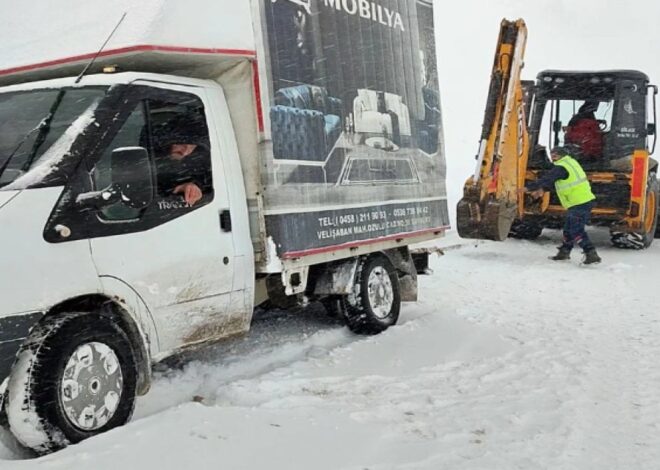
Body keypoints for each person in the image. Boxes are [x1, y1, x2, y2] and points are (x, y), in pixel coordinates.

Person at [525, 145, 602, 264]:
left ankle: (591, 253)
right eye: (552, 154)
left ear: (562, 155)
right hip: (581, 201)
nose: (553, 157)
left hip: (579, 202)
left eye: (556, 154)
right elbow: (558, 181)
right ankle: (564, 252)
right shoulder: (571, 163)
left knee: (576, 230)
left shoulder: (561, 167)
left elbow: (548, 179)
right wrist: (542, 190)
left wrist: (527, 188)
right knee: (568, 229)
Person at [154, 115, 211, 207]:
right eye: (182, 143)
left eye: (192, 146)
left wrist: (195, 188)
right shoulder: (150, 158)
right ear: (170, 140)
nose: (185, 151)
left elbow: (208, 184)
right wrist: (175, 189)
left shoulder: (199, 162)